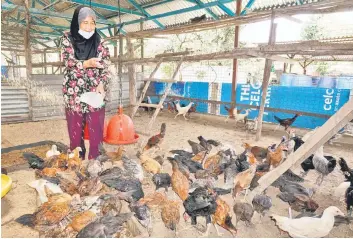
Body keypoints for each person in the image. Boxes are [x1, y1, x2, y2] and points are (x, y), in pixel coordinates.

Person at [60, 6, 110, 160]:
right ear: (77, 23)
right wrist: (85, 64)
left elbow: (106, 65)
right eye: (85, 23)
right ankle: (77, 159)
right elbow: (68, 62)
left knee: (96, 128)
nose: (89, 27)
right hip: (73, 93)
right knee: (75, 131)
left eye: (93, 23)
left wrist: (102, 83)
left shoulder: (100, 40)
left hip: (95, 92)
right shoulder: (67, 39)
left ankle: (94, 160)